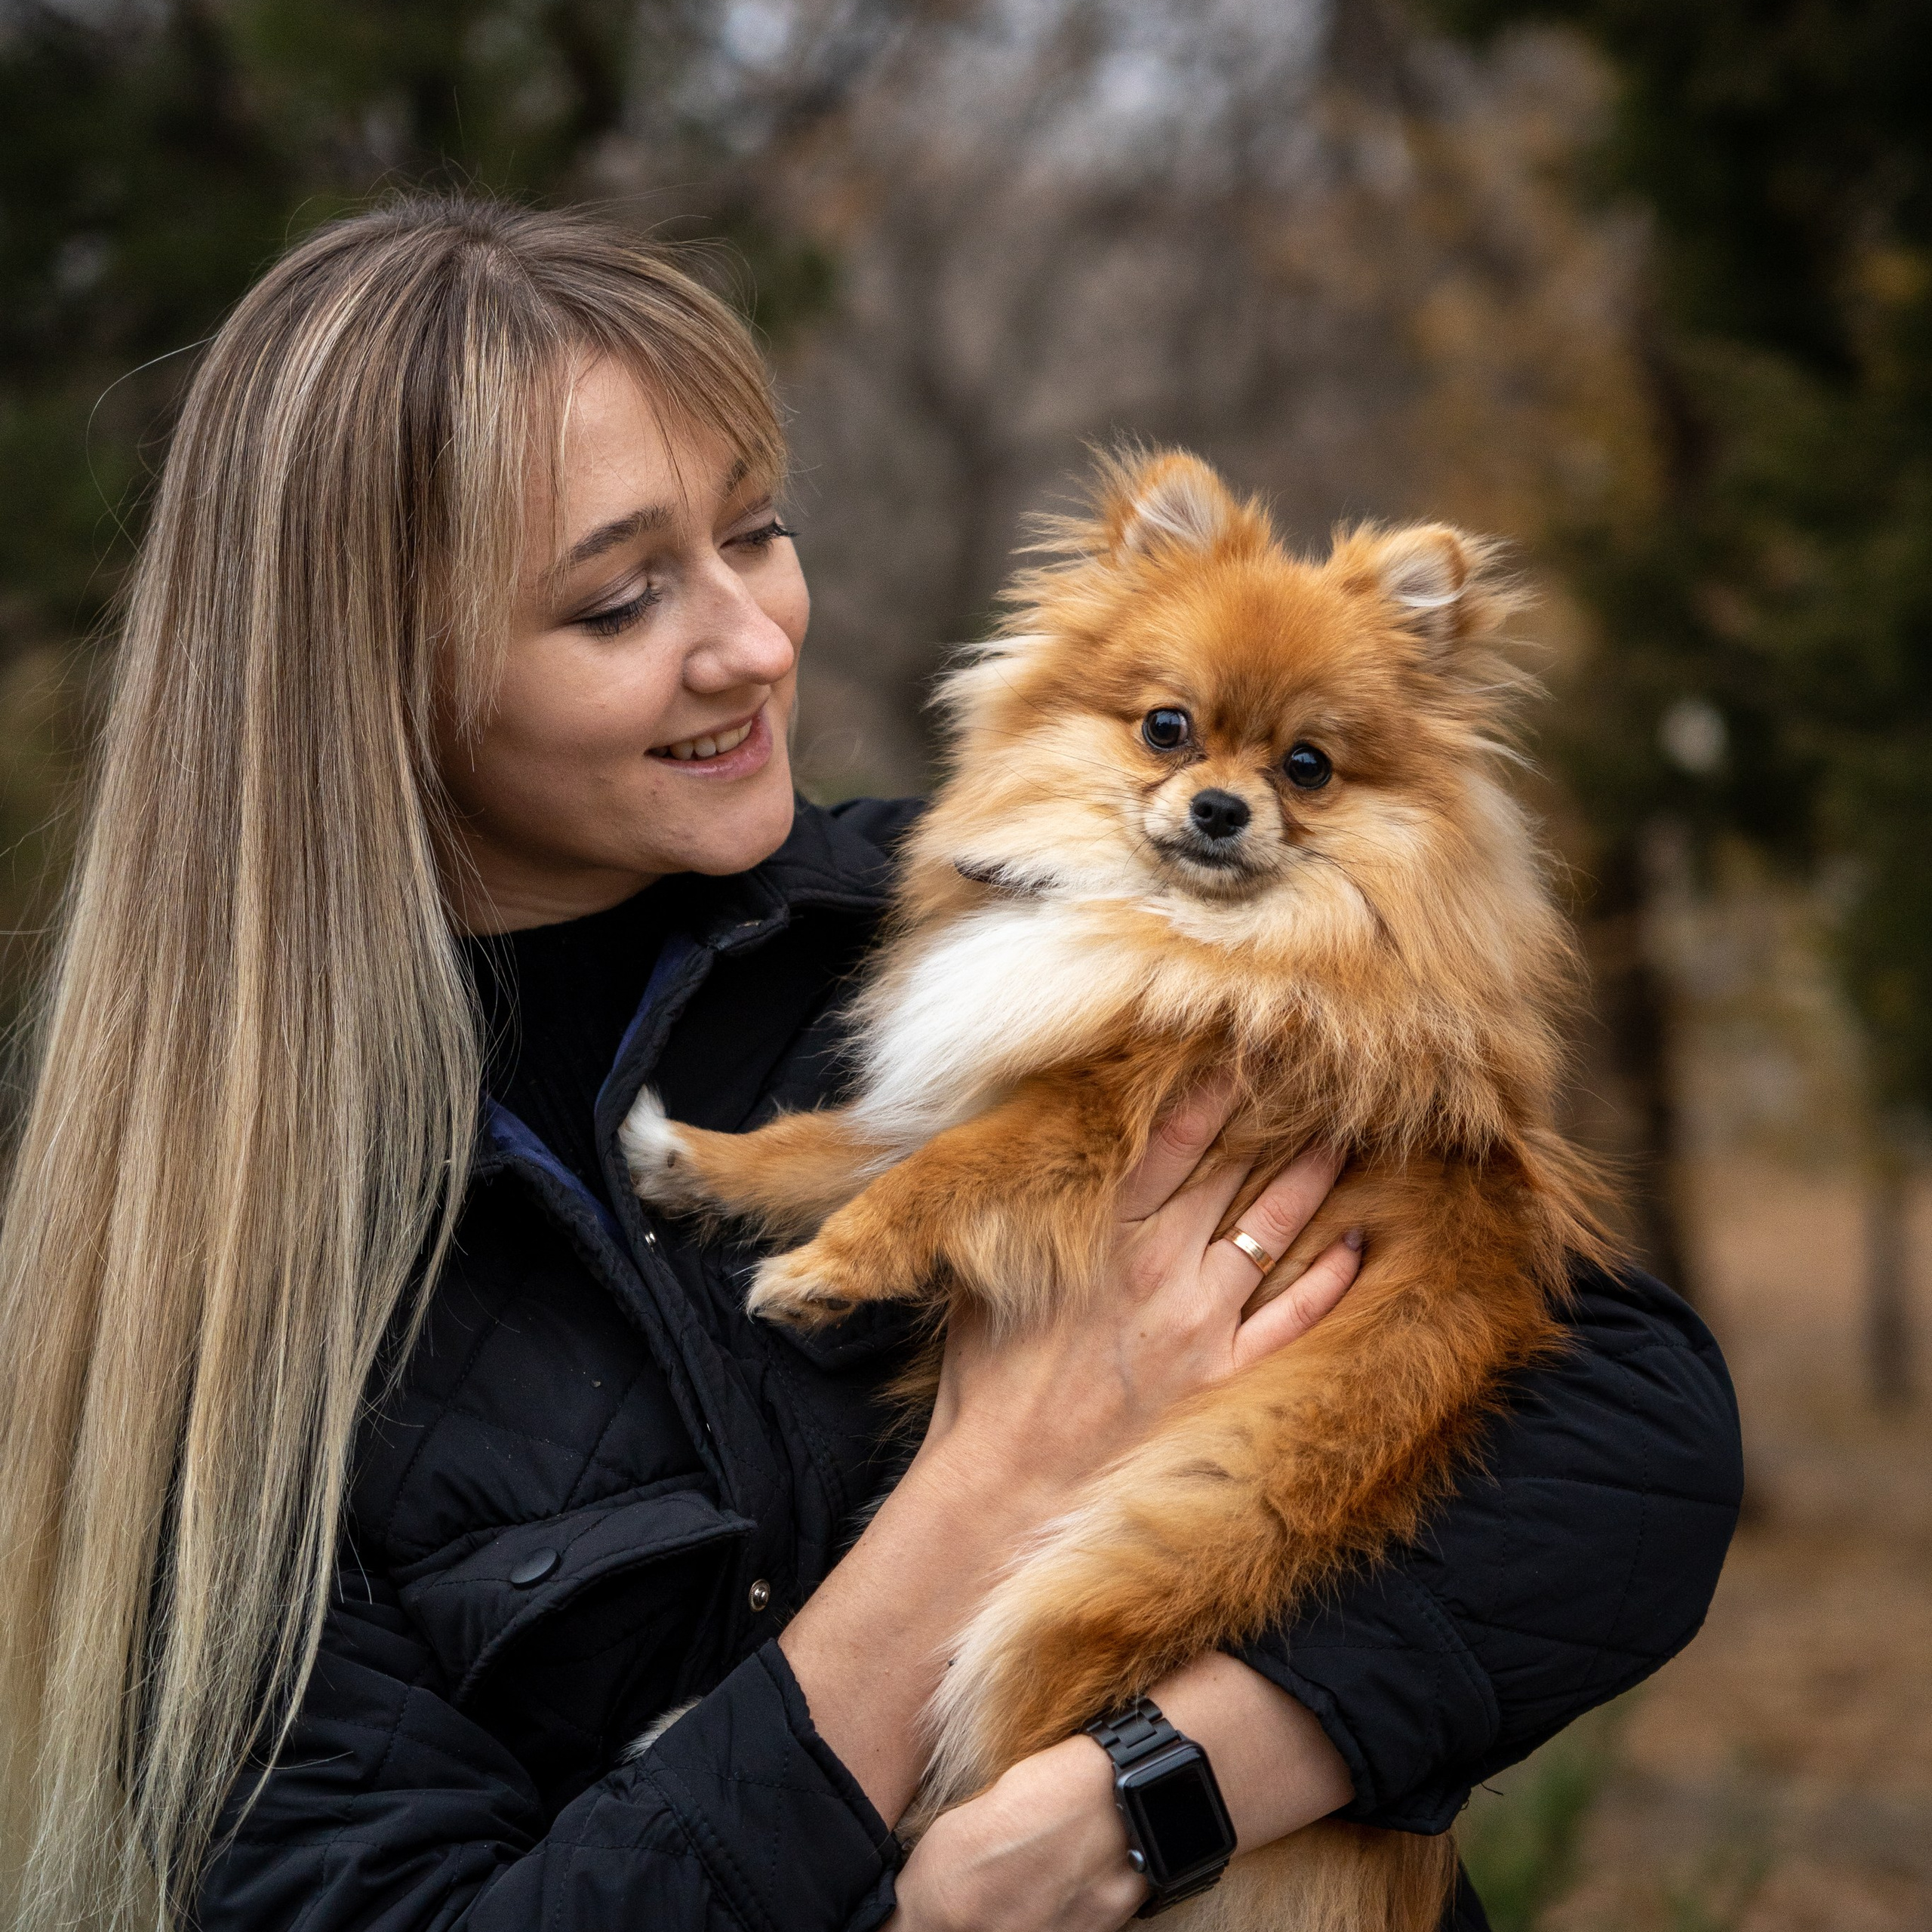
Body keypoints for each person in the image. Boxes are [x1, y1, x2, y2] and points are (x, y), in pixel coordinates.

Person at [0, 198, 1742, 1932]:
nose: (755, 644)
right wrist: (989, 1485)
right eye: (618, 601)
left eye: (756, 533)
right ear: (370, 677)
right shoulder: (213, 1275)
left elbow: (1634, 1435)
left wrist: (1149, 1790)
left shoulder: (1026, 936)